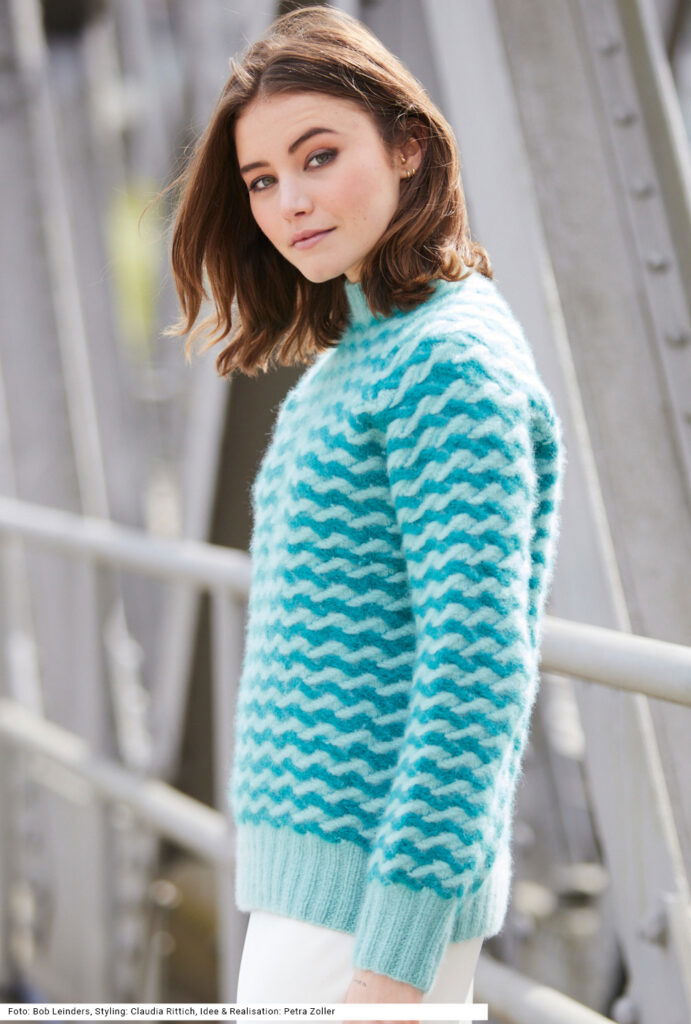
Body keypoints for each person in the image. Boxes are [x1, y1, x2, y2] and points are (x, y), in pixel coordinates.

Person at [163, 5, 566, 1020]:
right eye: (262, 180)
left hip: (365, 924)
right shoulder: (366, 352)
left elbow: (477, 670)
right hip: (311, 899)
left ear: (407, 146)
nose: (289, 201)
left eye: (318, 156)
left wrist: (391, 962)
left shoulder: (448, 362)